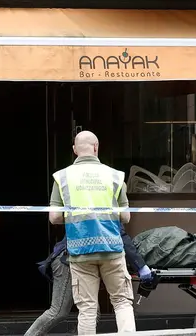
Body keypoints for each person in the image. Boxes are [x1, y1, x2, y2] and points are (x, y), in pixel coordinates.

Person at [48, 131, 136, 335]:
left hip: (80, 250)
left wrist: (73, 217)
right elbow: (126, 217)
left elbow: (53, 217)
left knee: (86, 308)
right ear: (96, 147)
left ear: (74, 150)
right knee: (122, 302)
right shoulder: (115, 176)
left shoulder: (62, 177)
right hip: (112, 248)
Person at [26, 227, 152, 336]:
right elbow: (122, 236)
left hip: (78, 259)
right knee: (59, 311)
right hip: (67, 261)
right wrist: (140, 266)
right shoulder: (104, 217)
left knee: (91, 312)